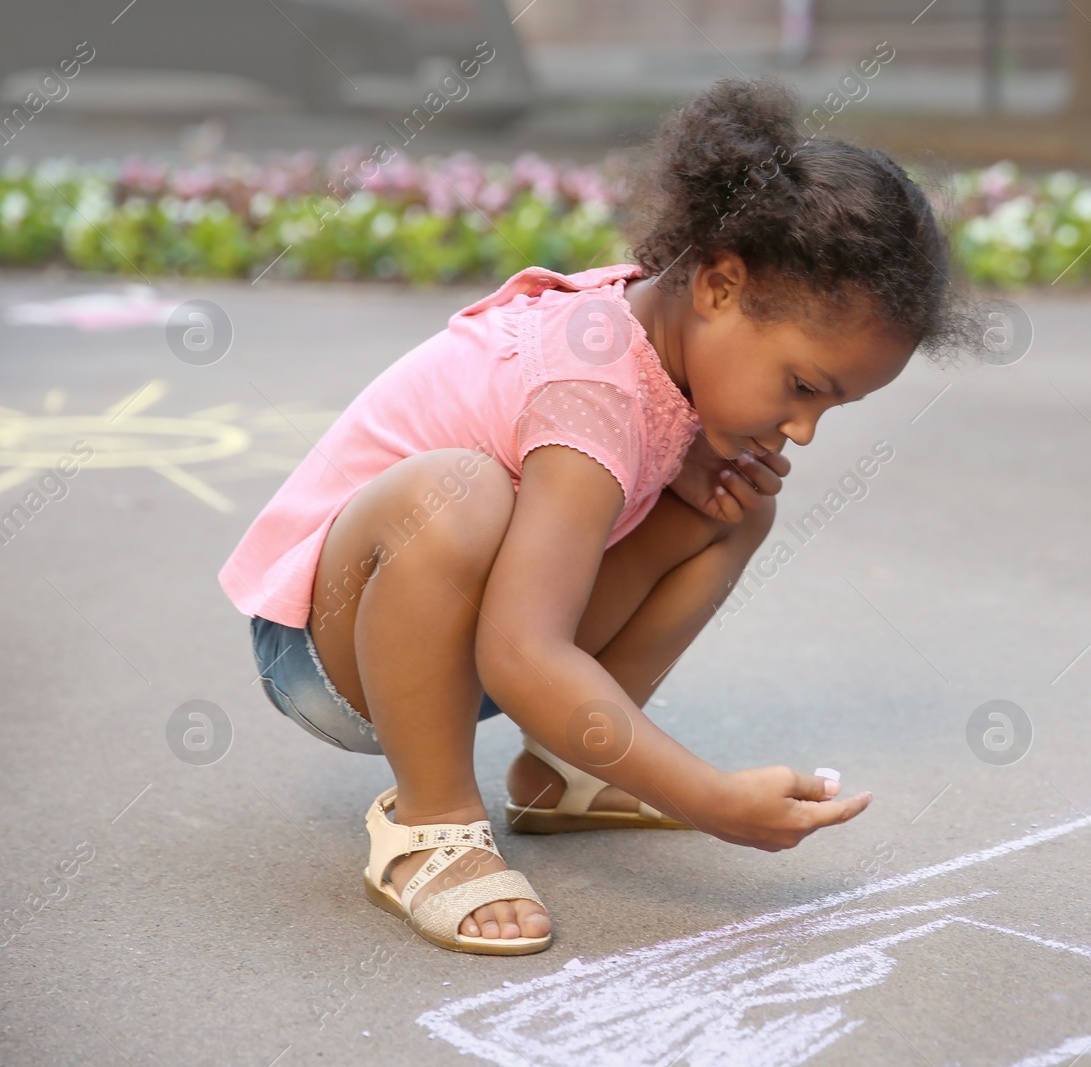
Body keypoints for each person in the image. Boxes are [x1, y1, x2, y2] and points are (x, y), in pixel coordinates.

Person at [218, 77, 964, 955]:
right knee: (457, 492)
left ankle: (565, 770)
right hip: (330, 647)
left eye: (830, 407)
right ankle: (433, 822)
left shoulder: (660, 333)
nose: (802, 426)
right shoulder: (591, 385)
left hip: (459, 642)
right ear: (720, 285)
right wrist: (707, 797)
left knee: (731, 507)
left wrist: (683, 471)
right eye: (802, 386)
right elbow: (520, 652)